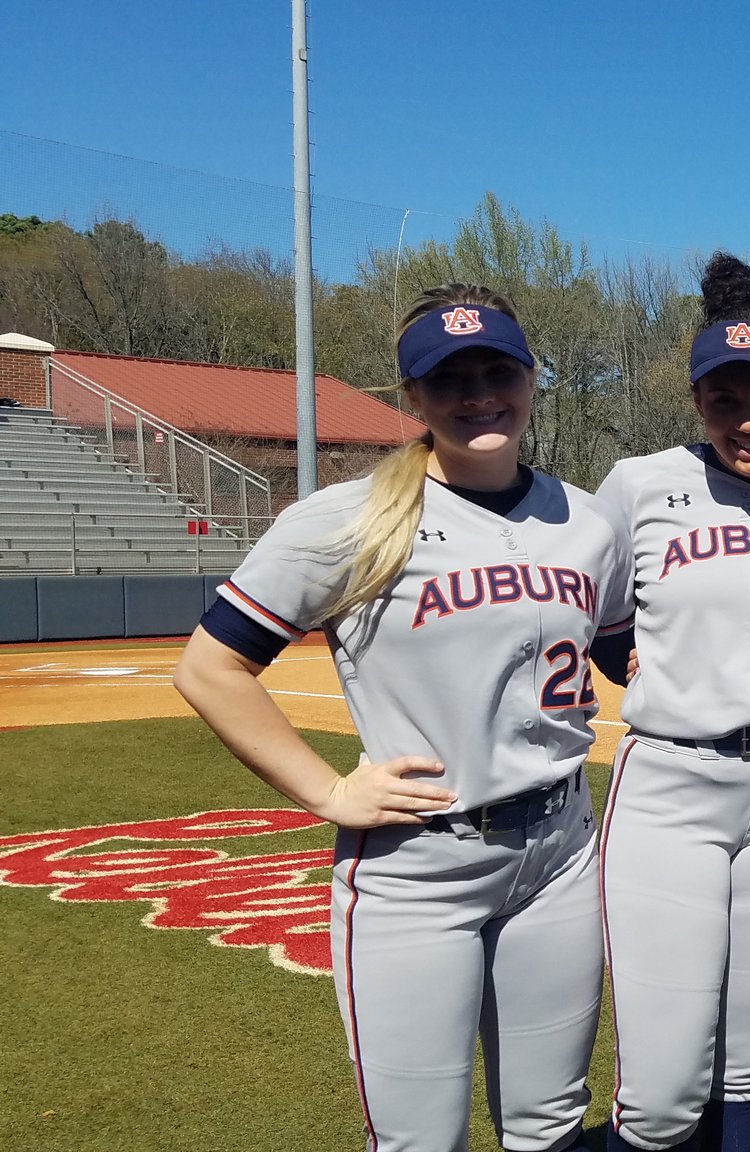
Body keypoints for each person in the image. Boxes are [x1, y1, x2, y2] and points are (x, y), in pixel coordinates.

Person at [173, 284, 632, 1152]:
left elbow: (620, 648)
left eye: (497, 369)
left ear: (532, 378)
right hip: (418, 868)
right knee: (420, 1140)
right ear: (412, 398)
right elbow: (210, 667)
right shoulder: (348, 519)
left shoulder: (588, 521)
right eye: (448, 377)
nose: (478, 392)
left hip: (563, 853)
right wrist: (324, 790)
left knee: (550, 1126)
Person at [592, 255, 750, 1152]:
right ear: (697, 399)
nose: (748, 420)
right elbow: (595, 624)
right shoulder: (637, 485)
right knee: (663, 1091)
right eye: (724, 399)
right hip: (673, 787)